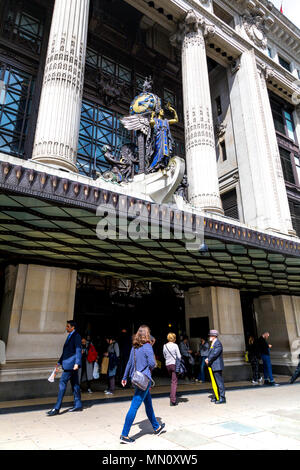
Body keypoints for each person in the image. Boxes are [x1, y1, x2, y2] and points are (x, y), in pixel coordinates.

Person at [120, 325, 165, 444]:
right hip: (144, 380)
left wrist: (124, 377)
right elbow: (152, 363)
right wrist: (151, 361)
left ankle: (156, 427)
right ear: (147, 334)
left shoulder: (134, 347)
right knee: (134, 406)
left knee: (148, 404)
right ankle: (124, 435)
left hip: (136, 379)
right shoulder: (147, 347)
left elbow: (129, 363)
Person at [47, 320, 82, 416]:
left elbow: (78, 350)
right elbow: (66, 351)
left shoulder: (76, 336)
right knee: (75, 384)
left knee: (62, 384)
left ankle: (57, 408)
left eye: (68, 326)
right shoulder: (70, 335)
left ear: (73, 327)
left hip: (71, 365)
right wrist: (59, 362)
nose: (66, 328)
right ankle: (78, 404)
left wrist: (77, 363)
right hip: (69, 364)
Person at [205, 330, 226, 404]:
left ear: (214, 336)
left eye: (210, 335)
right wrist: (208, 358)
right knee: (215, 382)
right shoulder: (213, 343)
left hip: (217, 366)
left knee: (219, 382)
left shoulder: (218, 343)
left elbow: (215, 354)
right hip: (213, 365)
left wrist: (208, 360)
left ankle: (222, 398)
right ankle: (217, 396)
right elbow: (211, 353)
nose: (209, 337)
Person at [163, 333, 181, 406]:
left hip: (168, 365)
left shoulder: (165, 346)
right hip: (174, 364)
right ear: (174, 338)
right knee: (174, 382)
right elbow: (179, 356)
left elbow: (164, 355)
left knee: (172, 380)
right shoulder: (175, 345)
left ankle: (172, 395)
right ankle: (173, 399)